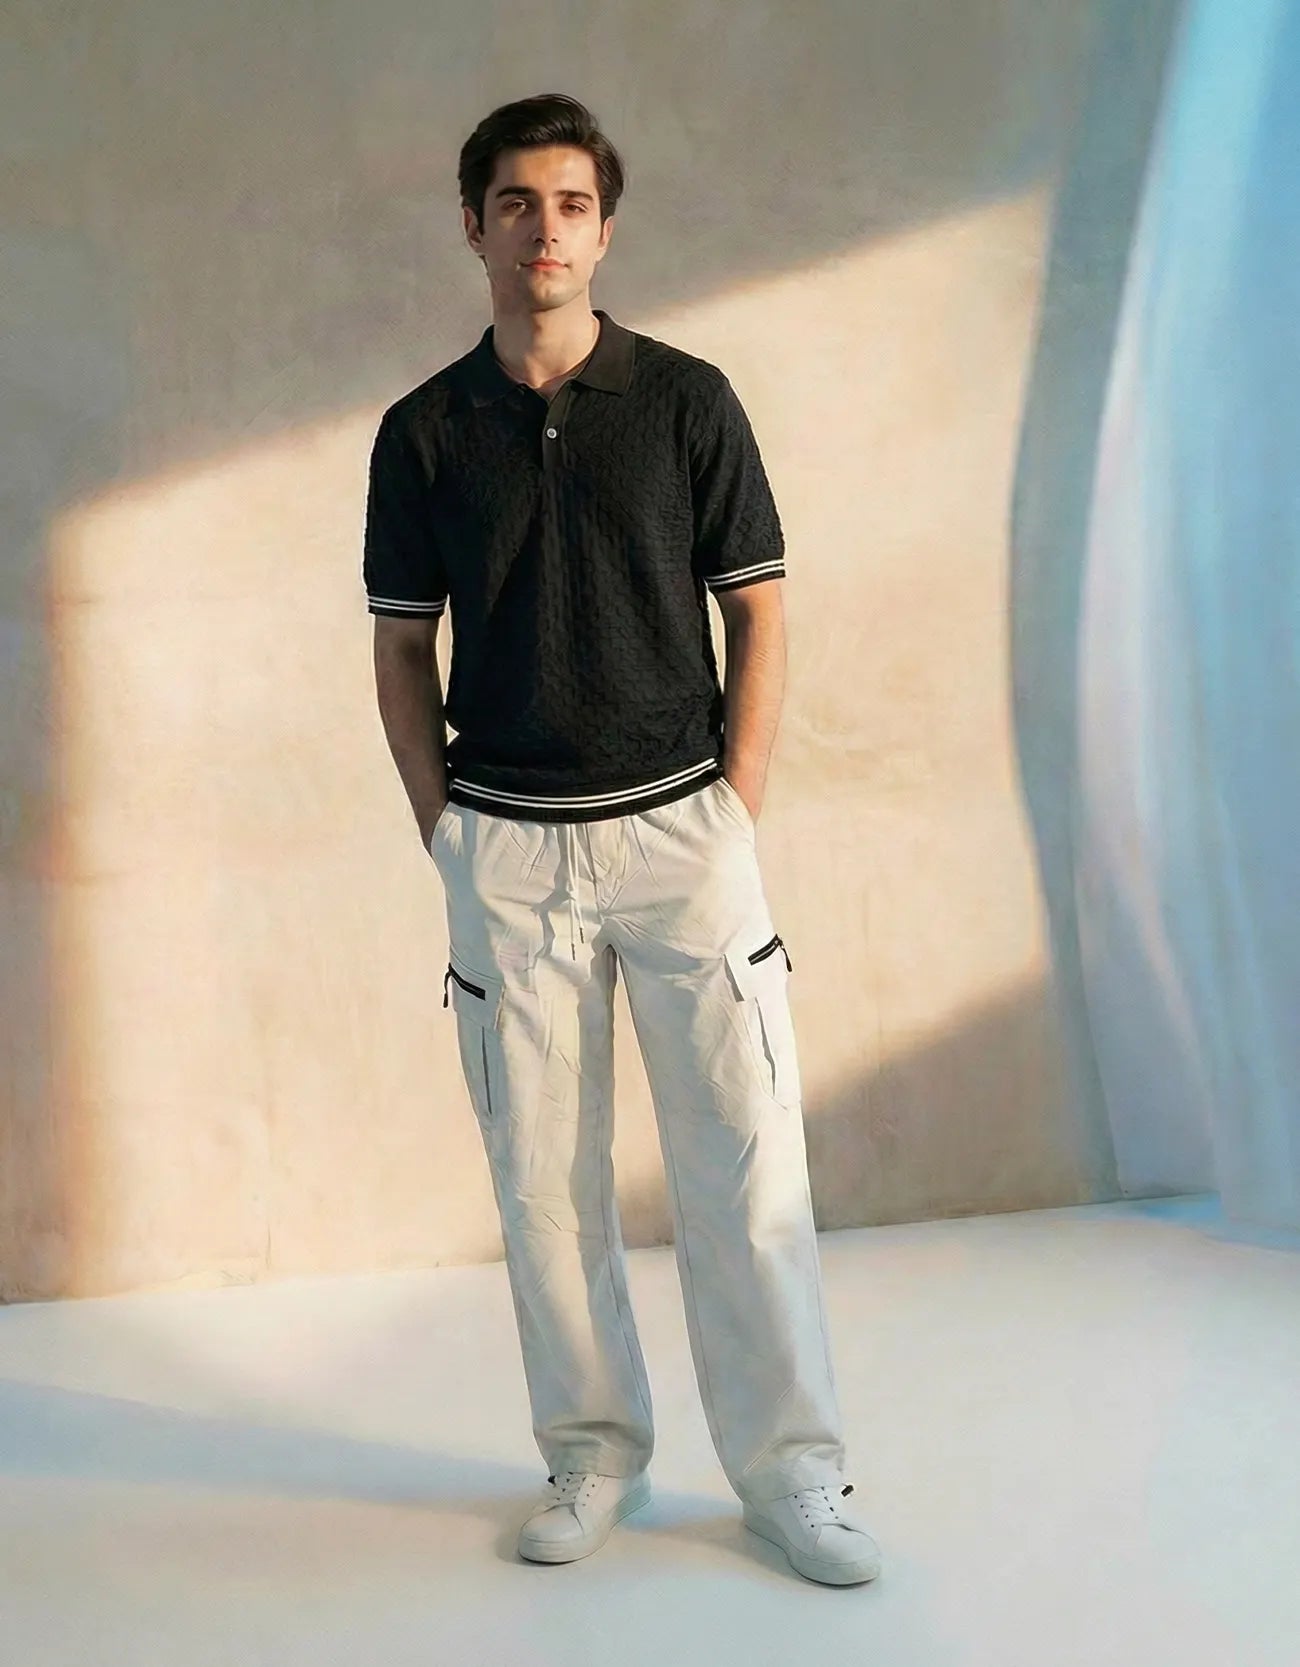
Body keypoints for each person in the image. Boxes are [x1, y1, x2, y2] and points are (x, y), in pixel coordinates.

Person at [362, 92, 882, 1588]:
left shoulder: (689, 402)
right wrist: (447, 835)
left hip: (682, 838)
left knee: (748, 1173)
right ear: (474, 226)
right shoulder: (423, 433)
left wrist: (734, 805)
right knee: (543, 1188)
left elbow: (758, 610)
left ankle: (793, 1478)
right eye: (517, 203)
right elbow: (401, 649)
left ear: (605, 229)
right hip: (510, 853)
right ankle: (592, 1457)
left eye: (572, 204)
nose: (546, 229)